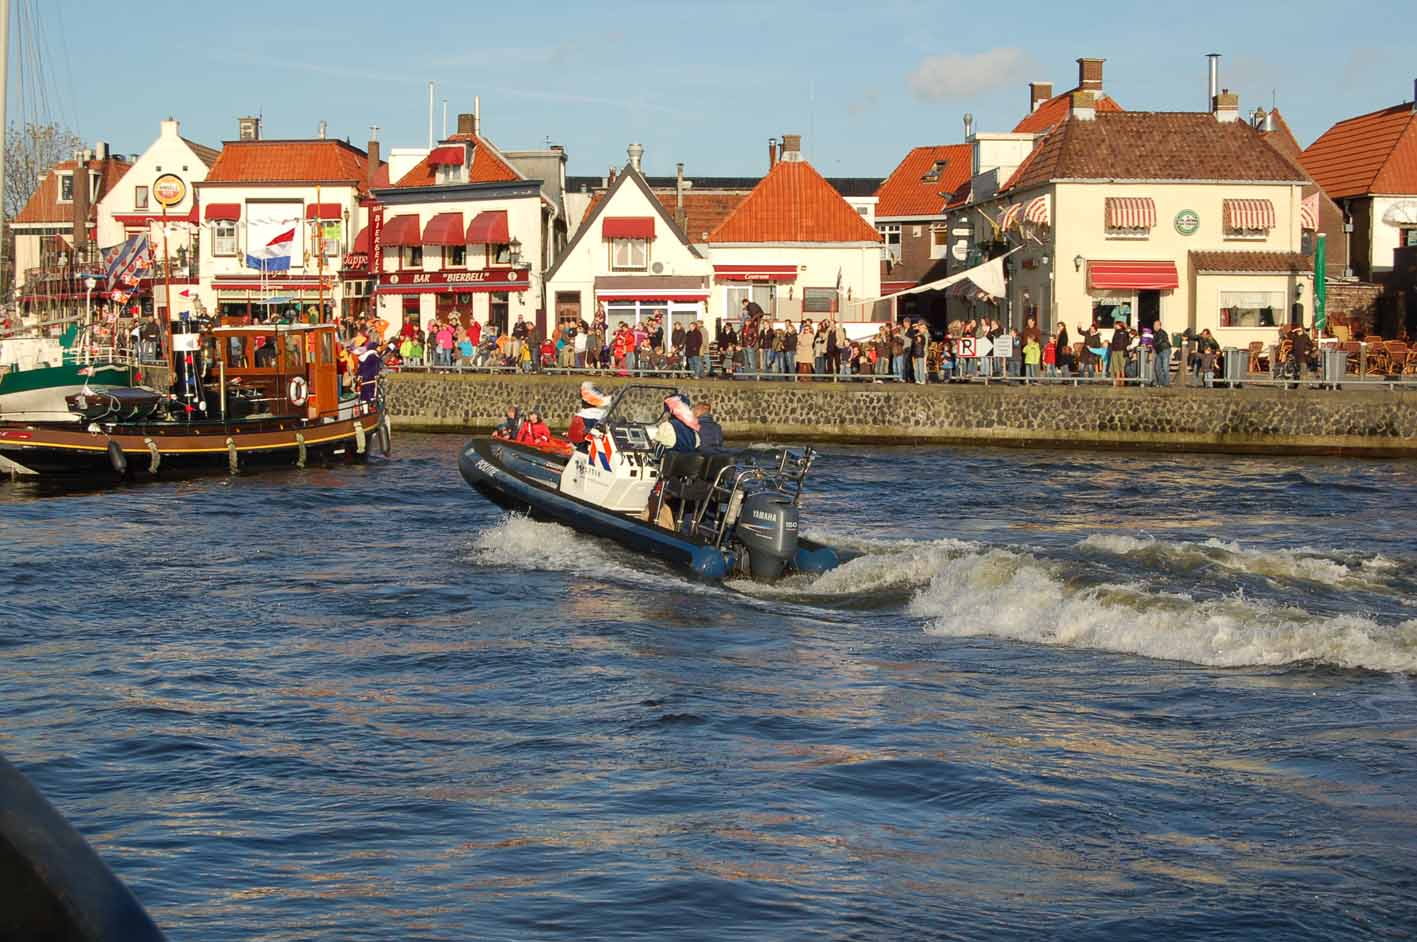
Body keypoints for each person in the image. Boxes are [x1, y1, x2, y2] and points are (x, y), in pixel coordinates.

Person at [567, 381, 609, 445]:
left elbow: (574, 436)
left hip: (586, 443)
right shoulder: (603, 414)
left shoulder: (580, 416)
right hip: (596, 442)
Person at [1109, 320, 1130, 387]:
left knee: (1122, 367)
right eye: (1115, 324)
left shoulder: (1125, 332)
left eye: (1116, 324)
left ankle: (1122, 382)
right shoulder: (1115, 332)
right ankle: (1117, 381)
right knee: (1116, 367)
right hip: (1114, 351)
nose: (1115, 326)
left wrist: (1125, 351)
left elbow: (1126, 342)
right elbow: (1114, 341)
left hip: (1121, 351)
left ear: (1120, 325)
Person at [1152, 320, 1172, 387]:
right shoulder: (1155, 333)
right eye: (1154, 325)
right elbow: (1154, 342)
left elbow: (1159, 341)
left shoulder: (1162, 333)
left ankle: (1166, 383)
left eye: (1155, 325)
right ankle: (1161, 382)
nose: (1154, 326)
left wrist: (1152, 345)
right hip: (1159, 351)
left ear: (1159, 326)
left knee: (1165, 367)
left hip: (1165, 350)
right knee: (1157, 368)